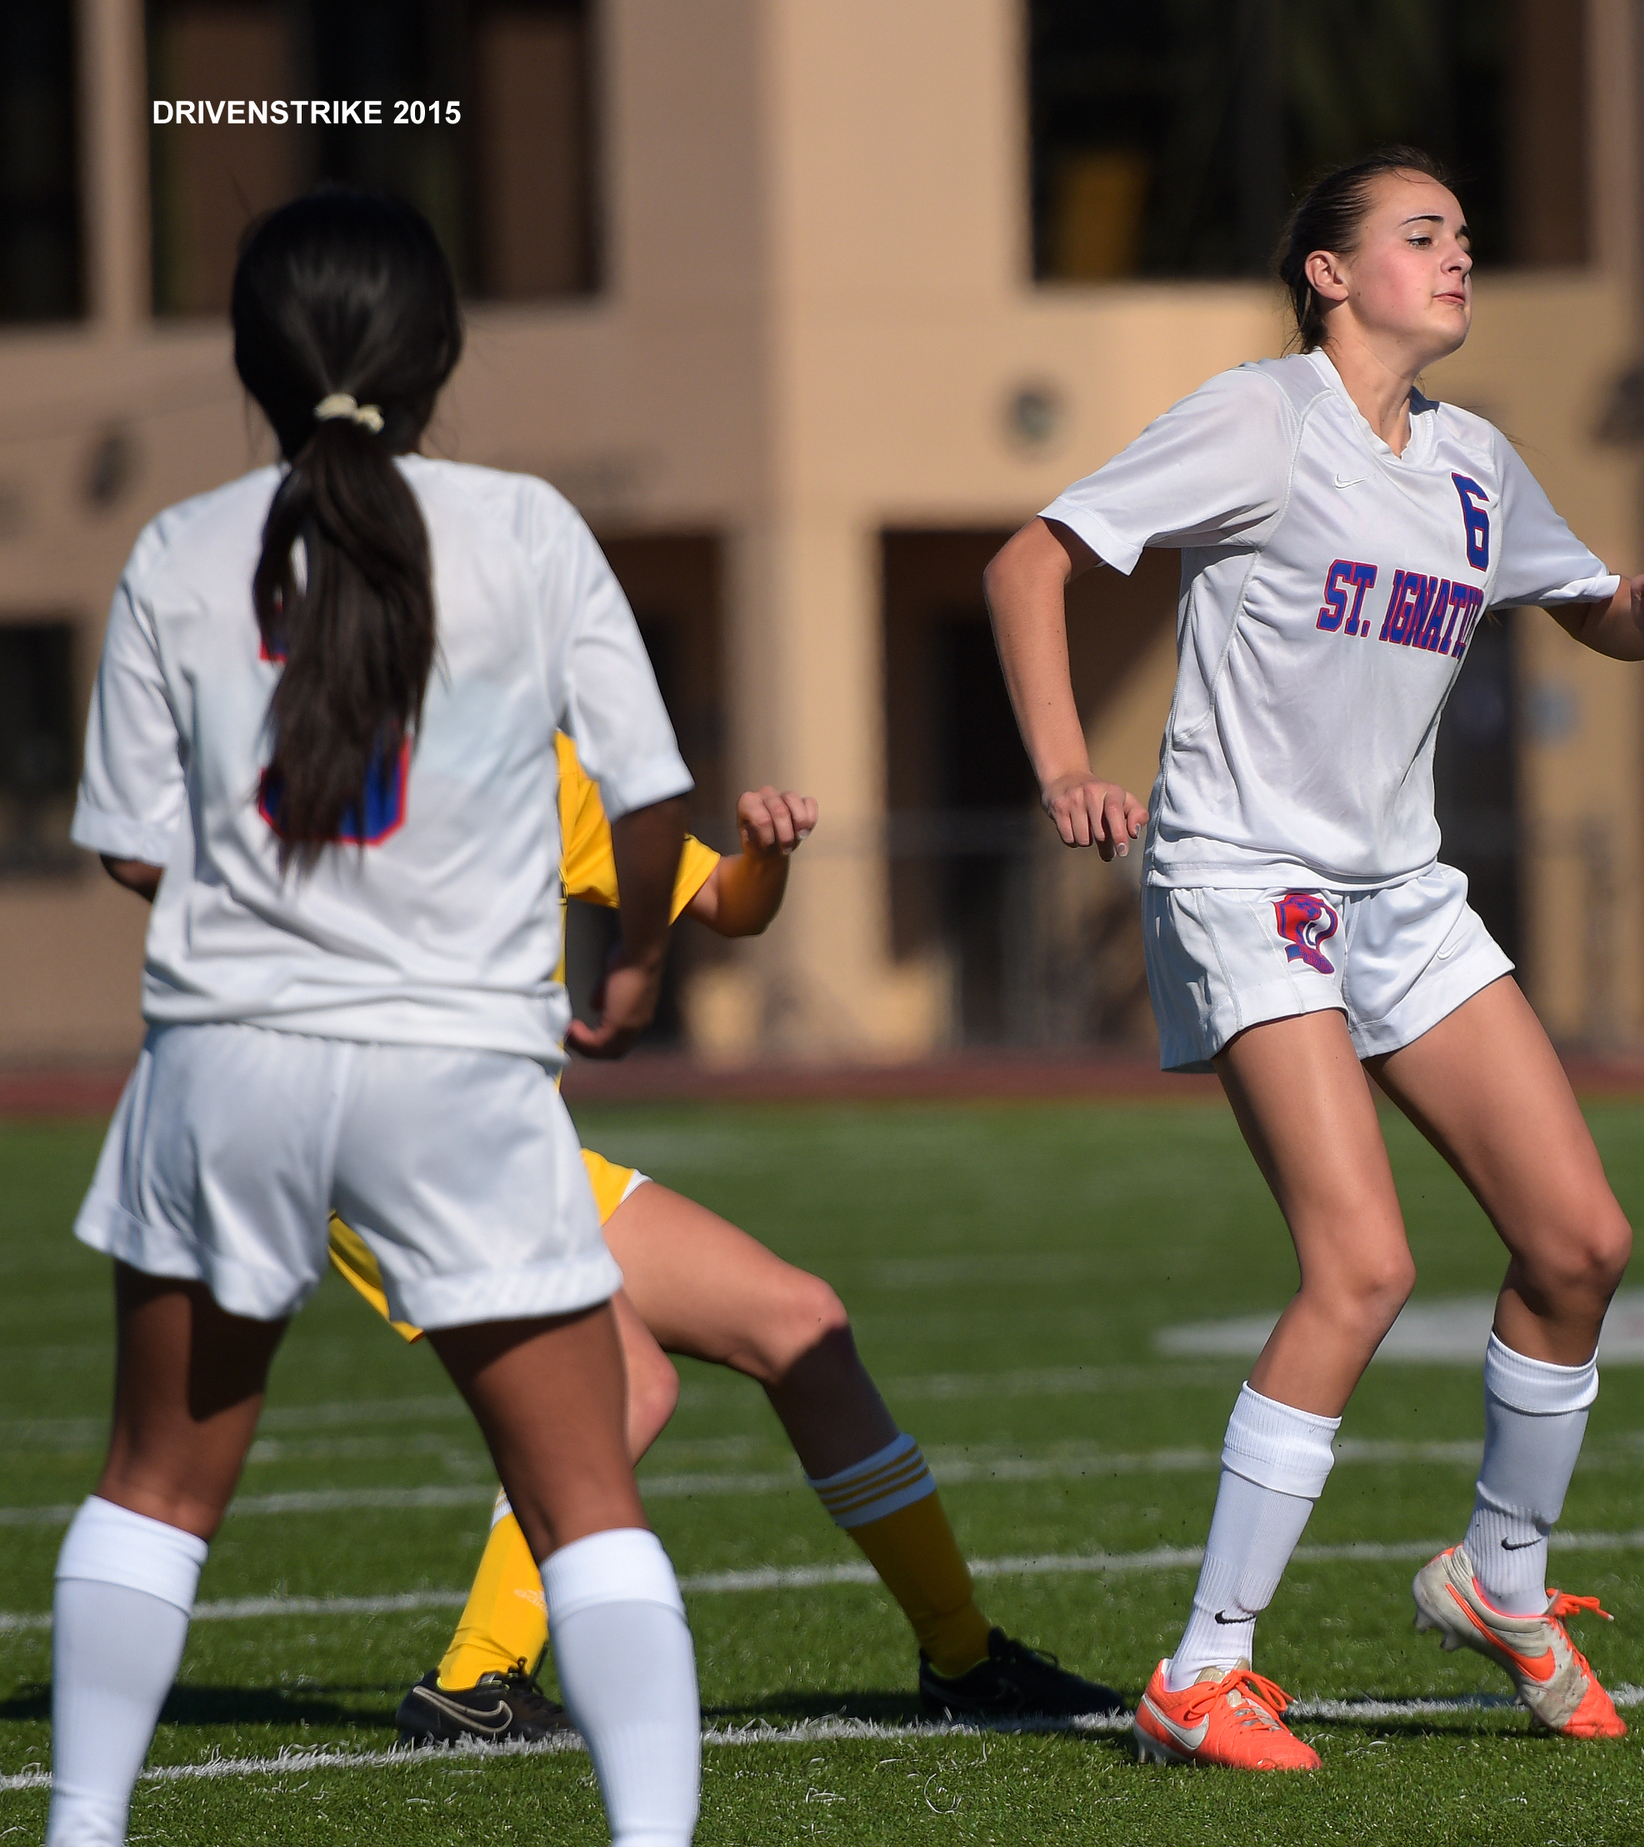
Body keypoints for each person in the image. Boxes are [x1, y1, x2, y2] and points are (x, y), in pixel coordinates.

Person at [984, 147, 1644, 1772]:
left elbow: (1580, 600)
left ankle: (1494, 1574)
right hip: (1246, 878)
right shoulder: (1262, 417)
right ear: (1328, 272)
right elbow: (1027, 562)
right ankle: (1202, 1666)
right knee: (1363, 1265)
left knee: (1581, 1241)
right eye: (1422, 233)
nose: (1460, 255)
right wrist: (1058, 769)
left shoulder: (1473, 461)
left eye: (1466, 231)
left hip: (1400, 890)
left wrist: (1640, 616)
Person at [55, 191, 701, 1846]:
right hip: (458, 1071)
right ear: (443, 354)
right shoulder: (529, 528)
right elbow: (647, 793)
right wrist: (619, 961)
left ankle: (78, 1830)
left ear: (248, 361)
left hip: (222, 1065)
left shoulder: (178, 545)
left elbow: (134, 839)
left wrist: (273, 939)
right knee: (585, 1502)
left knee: (155, 1490)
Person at [335, 737, 1122, 1744]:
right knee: (623, 1381)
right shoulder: (341, 737)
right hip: (389, 1134)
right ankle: (475, 1678)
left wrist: (767, 851)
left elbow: (730, 906)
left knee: (799, 1322)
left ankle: (966, 1659)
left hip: (511, 1137)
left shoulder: (535, 749)